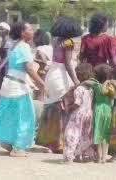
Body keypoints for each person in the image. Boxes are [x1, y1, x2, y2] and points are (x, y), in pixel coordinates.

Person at [0, 22, 46, 157]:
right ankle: (18, 147)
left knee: (9, 115)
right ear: (22, 33)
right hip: (18, 87)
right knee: (24, 116)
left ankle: (7, 142)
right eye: (30, 29)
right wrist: (42, 84)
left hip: (9, 84)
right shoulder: (24, 47)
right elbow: (29, 69)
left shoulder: (13, 45)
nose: (33, 31)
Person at [35, 16, 81, 153]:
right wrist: (76, 80)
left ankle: (50, 141)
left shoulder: (56, 41)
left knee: (52, 108)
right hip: (61, 75)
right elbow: (67, 64)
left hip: (52, 74)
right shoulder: (68, 43)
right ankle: (59, 143)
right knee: (62, 109)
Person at [63, 63, 94, 163]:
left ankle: (69, 156)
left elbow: (77, 103)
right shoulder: (91, 89)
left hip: (78, 114)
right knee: (84, 135)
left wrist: (68, 108)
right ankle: (81, 155)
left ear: (79, 75)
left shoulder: (79, 89)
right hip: (88, 114)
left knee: (72, 134)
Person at [83, 64, 113, 163]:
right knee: (106, 134)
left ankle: (99, 158)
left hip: (98, 109)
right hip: (108, 109)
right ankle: (104, 157)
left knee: (98, 132)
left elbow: (85, 82)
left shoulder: (95, 85)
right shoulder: (110, 86)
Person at [0, 22, 12, 105]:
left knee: (1, 89)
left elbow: (8, 57)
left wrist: (0, 67)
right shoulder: (3, 41)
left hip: (5, 69)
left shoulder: (8, 42)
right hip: (2, 67)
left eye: (2, 29)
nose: (0, 31)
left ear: (7, 31)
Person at [33, 29, 52, 101]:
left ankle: (39, 109)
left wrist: (34, 59)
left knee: (40, 92)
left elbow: (44, 61)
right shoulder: (50, 48)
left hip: (42, 71)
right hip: (50, 71)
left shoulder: (40, 48)